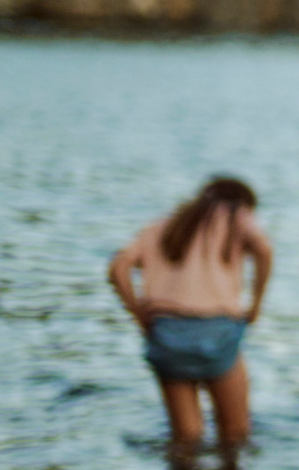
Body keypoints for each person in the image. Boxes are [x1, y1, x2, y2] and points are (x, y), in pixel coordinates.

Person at [107, 176, 271, 448]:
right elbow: (263, 250)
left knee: (186, 439)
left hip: (165, 333)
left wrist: (138, 314)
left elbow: (118, 268)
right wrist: (255, 304)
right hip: (216, 330)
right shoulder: (235, 213)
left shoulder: (162, 225)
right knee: (235, 435)